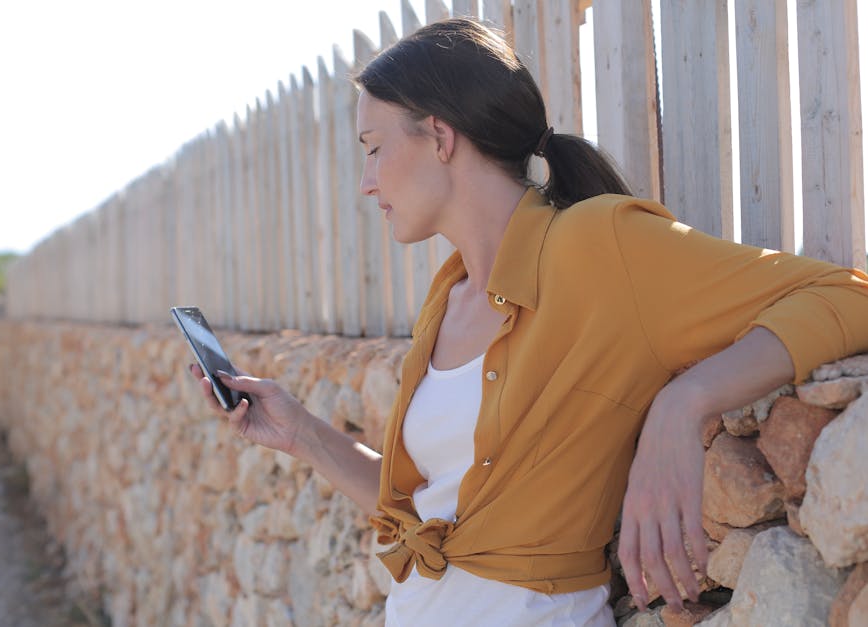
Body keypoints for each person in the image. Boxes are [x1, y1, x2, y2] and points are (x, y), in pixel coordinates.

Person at [189, 18, 868, 626]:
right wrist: (302, 431)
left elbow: (847, 294)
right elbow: (439, 521)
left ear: (441, 137)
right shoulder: (447, 296)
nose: (366, 181)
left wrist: (684, 401)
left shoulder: (598, 245)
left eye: (372, 146)